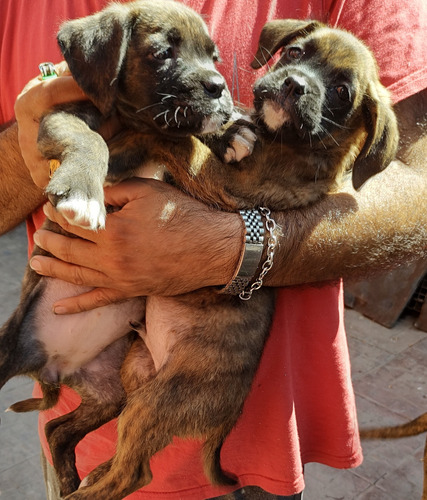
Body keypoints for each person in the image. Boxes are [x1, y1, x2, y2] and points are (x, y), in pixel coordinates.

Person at [1, 0, 426, 499]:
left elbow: (419, 187)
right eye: (291, 58)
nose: (295, 81)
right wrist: (55, 139)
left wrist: (234, 248)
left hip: (257, 434)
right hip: (89, 368)